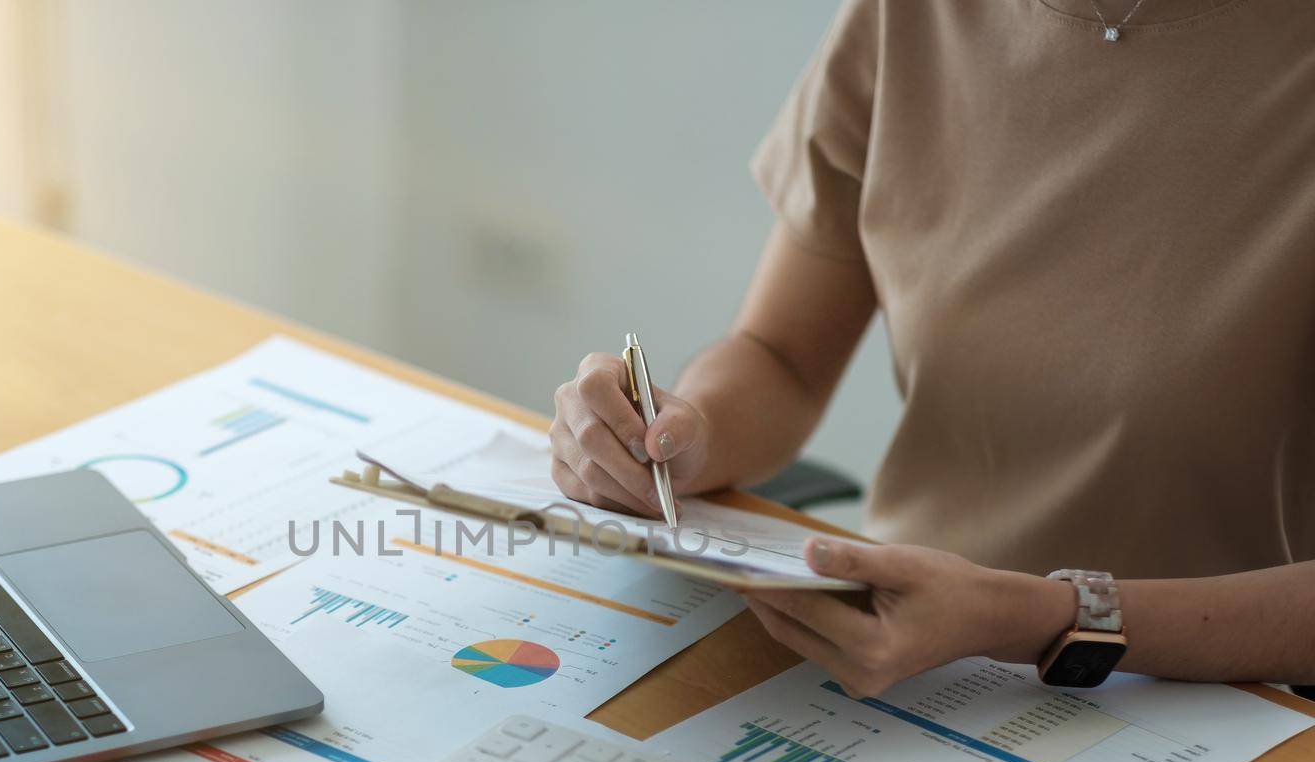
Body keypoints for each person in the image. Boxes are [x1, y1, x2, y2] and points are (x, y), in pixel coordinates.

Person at [549, 0, 1314, 697]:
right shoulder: (908, 17)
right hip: (898, 648)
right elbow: (781, 353)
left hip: (1224, 704)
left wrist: (1037, 617)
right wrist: (681, 435)